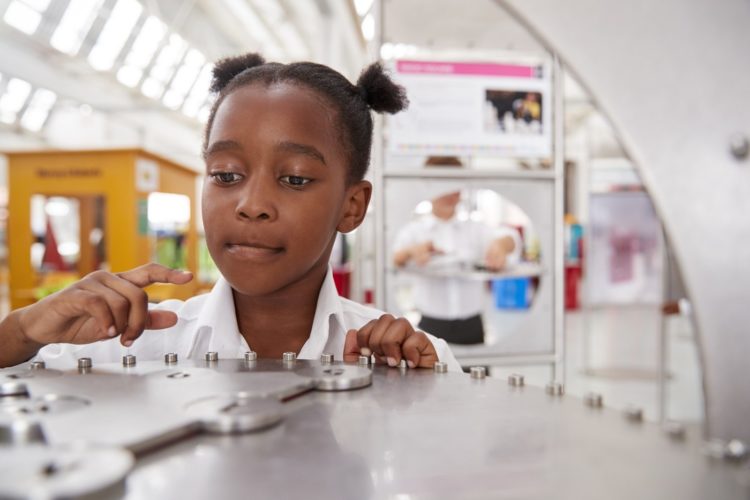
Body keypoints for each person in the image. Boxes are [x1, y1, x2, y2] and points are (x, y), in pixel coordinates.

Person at [0, 53, 460, 371]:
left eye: (295, 178)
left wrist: (417, 401)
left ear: (352, 205)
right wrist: (23, 331)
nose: (251, 205)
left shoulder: (410, 359)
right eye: (225, 175)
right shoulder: (126, 345)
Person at [392, 190, 521, 345]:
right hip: (429, 327)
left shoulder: (475, 228)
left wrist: (502, 244)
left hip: (473, 326)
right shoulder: (413, 231)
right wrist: (409, 251)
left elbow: (510, 236)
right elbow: (394, 259)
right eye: (443, 189)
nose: (449, 195)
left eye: (454, 190)